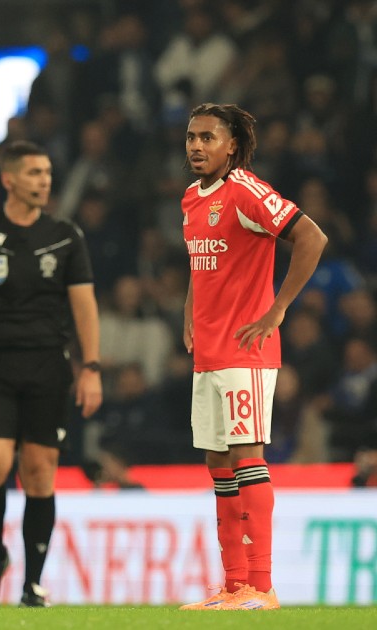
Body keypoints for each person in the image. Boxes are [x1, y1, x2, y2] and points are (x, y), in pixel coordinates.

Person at [0, 140, 102, 608]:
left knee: (39, 473)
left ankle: (34, 584)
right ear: (8, 179)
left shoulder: (65, 236)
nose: (44, 181)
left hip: (47, 365)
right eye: (34, 173)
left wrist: (91, 367)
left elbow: (84, 306)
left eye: (47, 172)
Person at [177, 104, 326, 611]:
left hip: (246, 349)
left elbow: (312, 237)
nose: (197, 146)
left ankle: (262, 585)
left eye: (208, 138)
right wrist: (189, 309)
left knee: (247, 457)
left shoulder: (245, 190)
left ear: (232, 145)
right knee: (218, 462)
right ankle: (234, 585)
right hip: (209, 352)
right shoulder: (191, 198)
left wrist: (278, 309)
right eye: (192, 137)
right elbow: (202, 262)